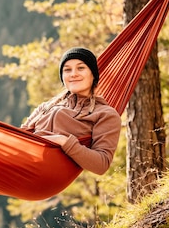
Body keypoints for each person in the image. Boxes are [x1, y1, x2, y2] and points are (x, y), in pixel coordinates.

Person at [20, 47, 121, 175]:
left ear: (93, 74)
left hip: (45, 174)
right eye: (67, 70)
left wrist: (63, 141)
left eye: (81, 68)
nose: (73, 74)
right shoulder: (45, 106)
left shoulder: (105, 114)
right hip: (23, 161)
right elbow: (21, 135)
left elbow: (101, 164)